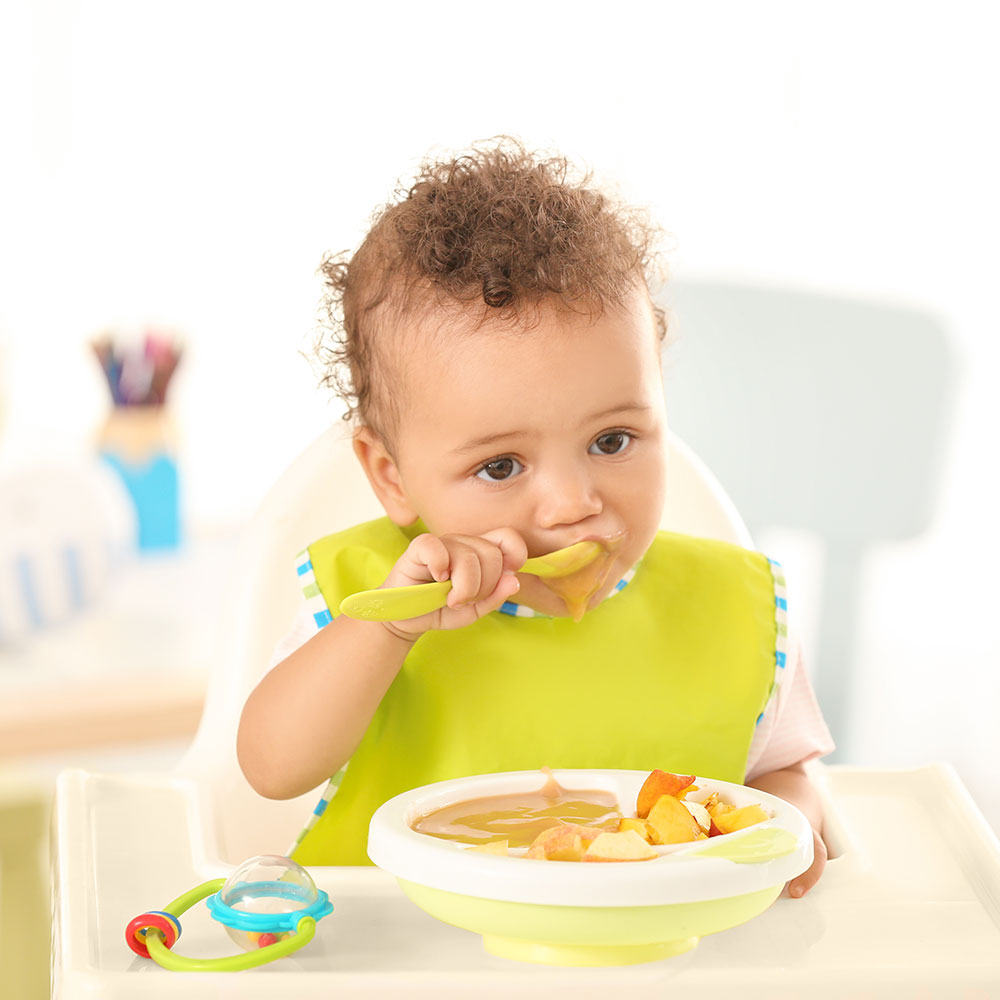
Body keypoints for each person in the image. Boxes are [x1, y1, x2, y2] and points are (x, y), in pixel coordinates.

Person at [237, 137, 834, 895]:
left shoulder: (729, 610)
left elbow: (787, 772)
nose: (572, 503)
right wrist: (387, 630)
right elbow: (269, 766)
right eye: (500, 466)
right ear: (392, 478)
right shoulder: (377, 603)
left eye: (611, 441)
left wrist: (787, 823)